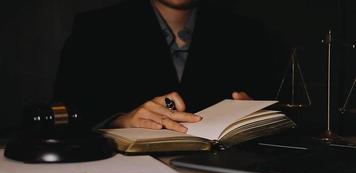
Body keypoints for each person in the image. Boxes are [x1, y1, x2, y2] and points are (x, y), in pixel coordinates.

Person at [53, 0, 287, 133]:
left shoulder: (248, 34)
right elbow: (65, 114)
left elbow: (279, 116)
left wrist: (257, 118)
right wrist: (116, 122)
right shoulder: (95, 29)